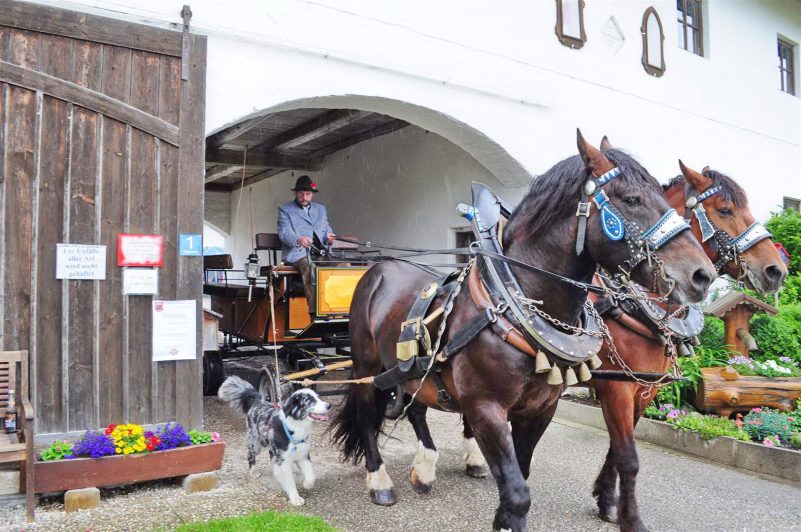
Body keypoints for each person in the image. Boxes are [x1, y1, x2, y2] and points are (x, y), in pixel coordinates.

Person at [277, 175, 336, 315]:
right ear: (295, 193)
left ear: (312, 195)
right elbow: (284, 233)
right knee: (311, 268)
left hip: (320, 253)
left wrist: (329, 235)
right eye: (301, 194)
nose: (304, 197)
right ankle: (316, 312)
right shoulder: (285, 209)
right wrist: (298, 239)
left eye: (307, 194)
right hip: (298, 254)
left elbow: (326, 227)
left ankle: (338, 307)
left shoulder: (320, 209)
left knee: (343, 266)